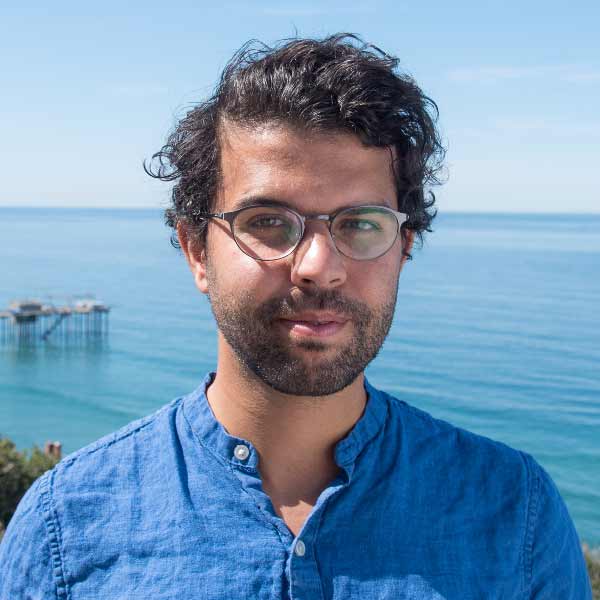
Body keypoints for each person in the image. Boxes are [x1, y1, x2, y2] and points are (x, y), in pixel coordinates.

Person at [0, 34, 591, 599]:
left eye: (361, 224)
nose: (318, 266)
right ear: (196, 250)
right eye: (268, 221)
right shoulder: (67, 526)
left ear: (404, 249)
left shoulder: (514, 515)